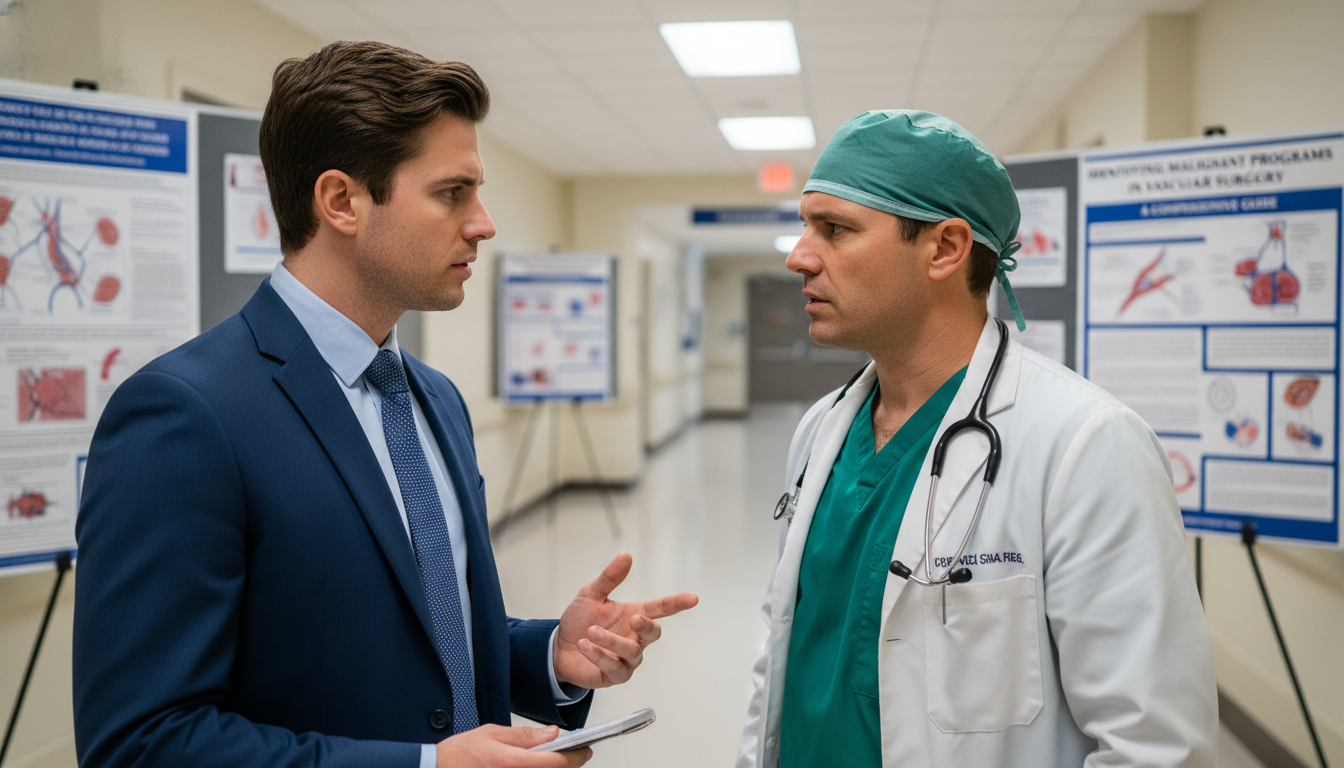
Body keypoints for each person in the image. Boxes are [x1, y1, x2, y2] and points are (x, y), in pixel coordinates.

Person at [73, 41, 697, 768]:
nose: (484, 223)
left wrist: (554, 653)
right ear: (342, 201)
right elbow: (139, 743)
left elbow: (422, 635)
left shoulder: (434, 400)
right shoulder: (183, 416)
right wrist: (426, 766)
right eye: (451, 192)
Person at [737, 110, 1216, 768]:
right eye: (804, 226)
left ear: (945, 248)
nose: (799, 256)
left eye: (836, 229)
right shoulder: (823, 428)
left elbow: (1156, 745)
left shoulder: (1086, 445)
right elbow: (786, 651)